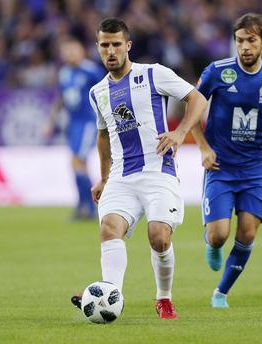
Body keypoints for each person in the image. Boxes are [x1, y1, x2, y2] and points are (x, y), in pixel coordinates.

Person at [71, 18, 207, 319]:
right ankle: (109, 294)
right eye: (104, 45)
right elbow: (104, 134)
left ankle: (164, 297)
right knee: (109, 228)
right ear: (97, 47)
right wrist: (104, 178)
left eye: (116, 44)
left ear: (127, 45)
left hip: (158, 172)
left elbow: (197, 99)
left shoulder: (153, 74)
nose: (110, 51)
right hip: (121, 176)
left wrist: (180, 132)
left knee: (159, 236)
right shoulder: (98, 92)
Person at [191, 13, 262, 308]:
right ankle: (212, 242)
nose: (245, 47)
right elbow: (193, 112)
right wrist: (203, 148)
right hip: (221, 166)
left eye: (251, 40)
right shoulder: (217, 71)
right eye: (240, 41)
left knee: (247, 232)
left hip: (256, 168)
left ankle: (220, 293)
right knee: (219, 235)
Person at [46, 37, 104, 220]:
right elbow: (60, 99)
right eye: (66, 51)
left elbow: (106, 92)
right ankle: (83, 206)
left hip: (88, 123)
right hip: (73, 124)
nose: (69, 54)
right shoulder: (64, 73)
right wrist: (50, 121)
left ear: (82, 51)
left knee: (78, 161)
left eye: (73, 50)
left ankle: (90, 208)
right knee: (76, 164)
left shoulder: (91, 70)